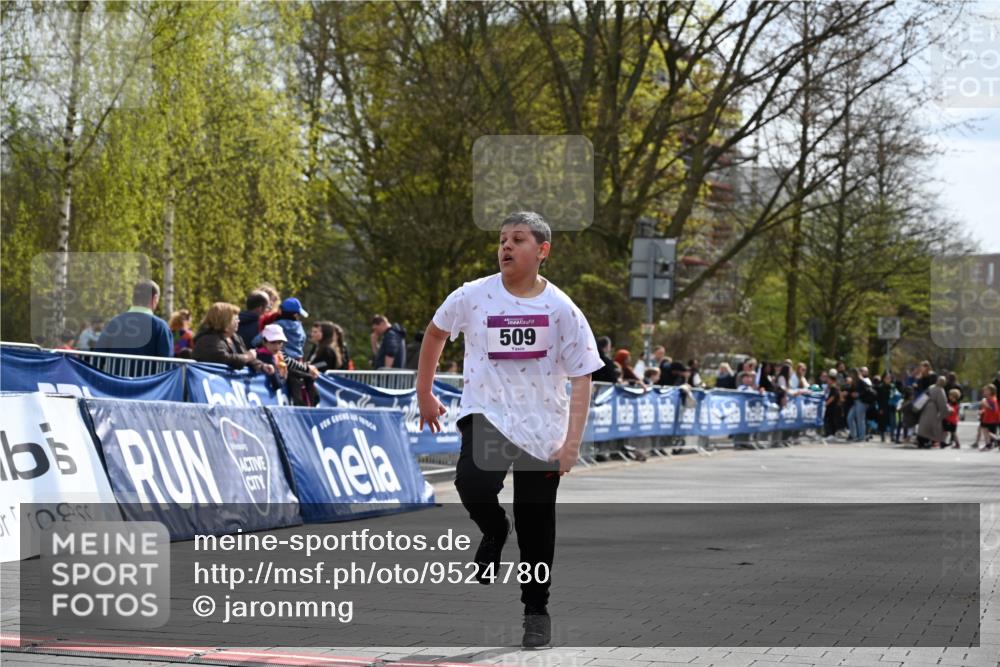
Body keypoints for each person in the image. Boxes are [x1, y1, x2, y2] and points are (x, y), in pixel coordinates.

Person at [415, 211, 603, 649]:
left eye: (518, 239)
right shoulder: (473, 296)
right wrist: (424, 391)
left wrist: (572, 443)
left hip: (544, 427)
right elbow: (436, 332)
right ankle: (495, 527)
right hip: (489, 413)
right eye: (502, 239)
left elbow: (582, 376)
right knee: (473, 481)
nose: (505, 246)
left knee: (537, 525)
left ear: (542, 251)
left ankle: (535, 611)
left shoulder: (561, 309)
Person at [94, 280, 172, 357]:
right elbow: (168, 363)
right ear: (154, 299)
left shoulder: (113, 323)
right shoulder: (161, 327)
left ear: (133, 298)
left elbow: (97, 359)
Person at [192, 302, 271, 373]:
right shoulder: (208, 340)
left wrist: (262, 366)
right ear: (224, 320)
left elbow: (244, 354)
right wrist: (247, 357)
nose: (238, 321)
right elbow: (224, 359)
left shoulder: (235, 337)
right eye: (235, 319)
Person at [257, 323, 319, 402]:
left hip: (279, 398)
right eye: (273, 342)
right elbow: (277, 384)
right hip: (268, 399)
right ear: (264, 342)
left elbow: (289, 361)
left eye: (280, 342)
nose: (276, 346)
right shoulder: (264, 355)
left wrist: (306, 368)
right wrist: (284, 377)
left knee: (305, 376)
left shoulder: (279, 353)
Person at [916, 375, 948, 449]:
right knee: (933, 426)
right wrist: (945, 412)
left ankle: (921, 441)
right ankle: (932, 441)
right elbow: (942, 403)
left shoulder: (931, 387)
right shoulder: (940, 390)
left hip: (925, 407)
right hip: (933, 409)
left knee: (923, 425)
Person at [978, 385, 1000, 451]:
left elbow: (993, 409)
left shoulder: (992, 399)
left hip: (991, 419)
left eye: (986, 390)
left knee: (987, 431)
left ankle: (993, 442)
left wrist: (985, 404)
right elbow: (988, 409)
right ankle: (989, 444)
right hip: (987, 418)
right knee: (985, 430)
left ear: (991, 391)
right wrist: (982, 411)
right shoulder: (989, 399)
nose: (984, 392)